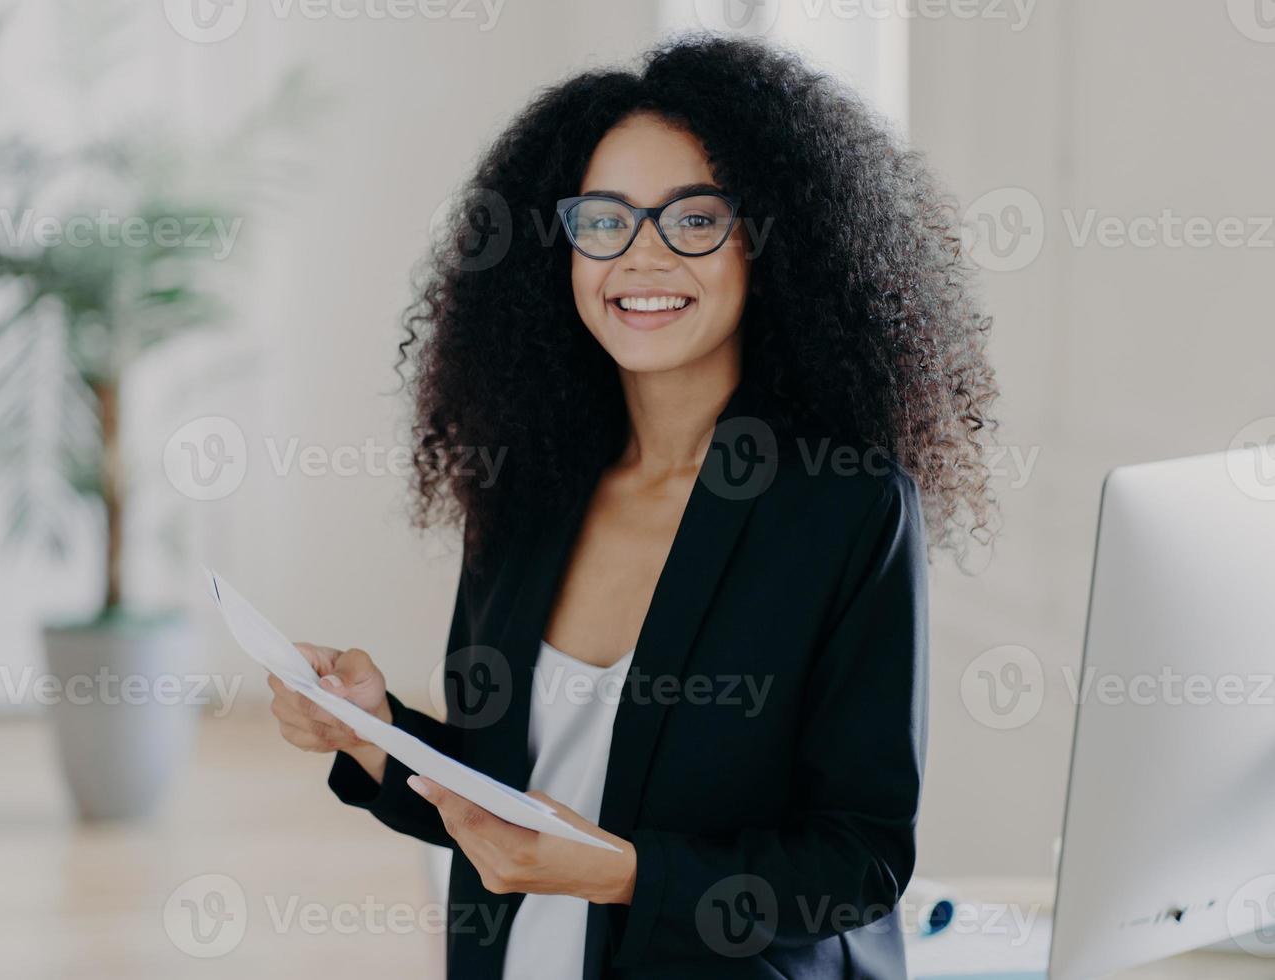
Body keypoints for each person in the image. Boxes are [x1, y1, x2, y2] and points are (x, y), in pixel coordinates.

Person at [268, 32, 998, 979]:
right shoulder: (523, 490)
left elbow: (856, 864)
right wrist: (373, 733)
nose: (640, 258)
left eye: (692, 220)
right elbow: (502, 801)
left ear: (770, 241)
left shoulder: (845, 511)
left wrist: (622, 875)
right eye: (604, 220)